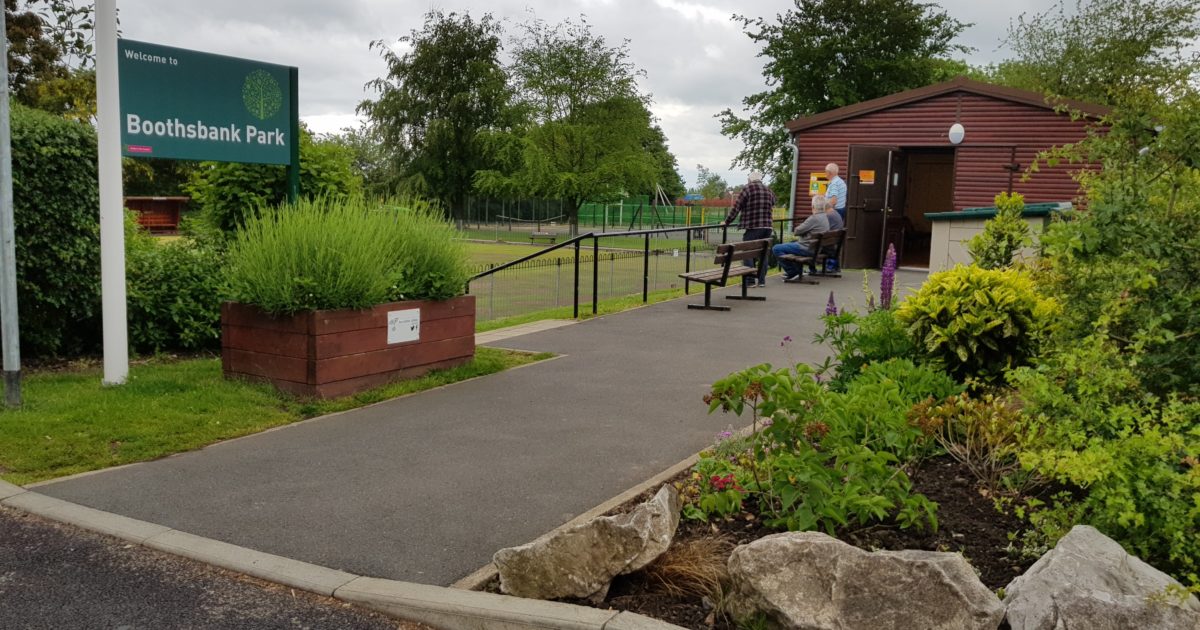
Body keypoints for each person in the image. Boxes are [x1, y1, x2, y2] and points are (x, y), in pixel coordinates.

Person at [724, 171, 776, 286]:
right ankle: (761, 281)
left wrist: (727, 222)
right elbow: (773, 203)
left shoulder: (747, 189)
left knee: (747, 252)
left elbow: (736, 208)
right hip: (767, 227)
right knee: (763, 253)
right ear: (760, 179)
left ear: (749, 179)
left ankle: (749, 280)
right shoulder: (768, 190)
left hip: (753, 227)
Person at [772, 195, 832, 282]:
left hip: (806, 249)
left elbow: (796, 231)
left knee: (776, 248)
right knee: (791, 243)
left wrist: (804, 233)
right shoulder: (824, 217)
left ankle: (793, 272)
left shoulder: (813, 218)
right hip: (816, 248)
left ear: (813, 206)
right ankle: (797, 271)